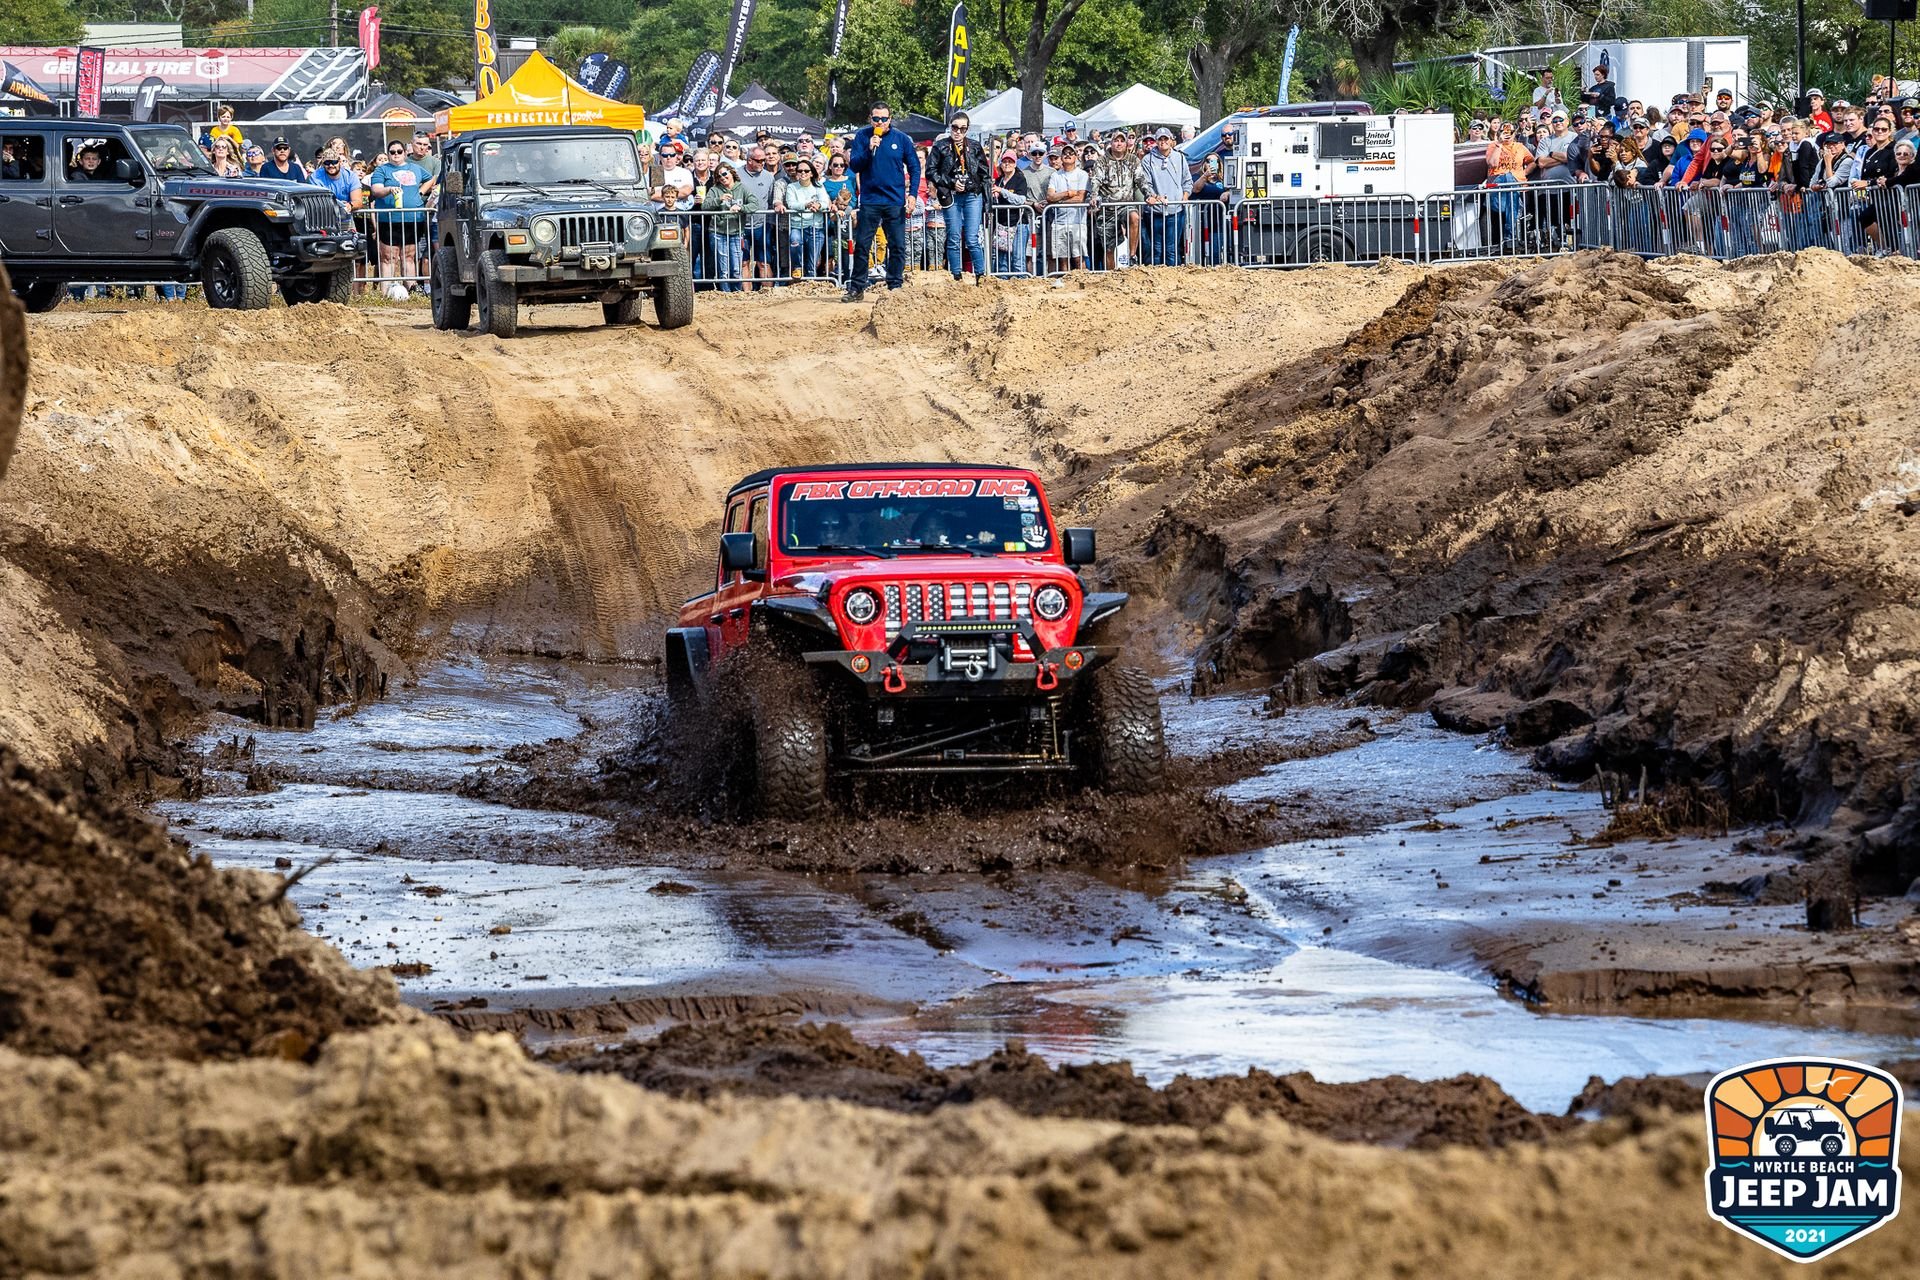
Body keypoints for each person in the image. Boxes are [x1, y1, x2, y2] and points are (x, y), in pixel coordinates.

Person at [842, 100, 921, 302]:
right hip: (870, 199)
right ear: (870, 118)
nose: (879, 122)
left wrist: (912, 194)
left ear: (890, 119)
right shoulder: (862, 136)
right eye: (876, 118)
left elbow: (914, 167)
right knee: (862, 244)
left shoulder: (901, 139)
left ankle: (895, 286)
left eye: (883, 119)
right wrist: (869, 149)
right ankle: (857, 287)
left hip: (894, 200)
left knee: (897, 245)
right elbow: (855, 165)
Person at [928, 111, 989, 283]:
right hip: (951, 195)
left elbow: (984, 173)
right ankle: (956, 276)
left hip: (971, 195)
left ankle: (981, 275)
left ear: (967, 129)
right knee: (954, 236)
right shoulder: (940, 146)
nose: (958, 132)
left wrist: (981, 192)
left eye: (962, 129)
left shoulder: (975, 146)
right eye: (955, 127)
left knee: (971, 238)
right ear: (950, 127)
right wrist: (950, 182)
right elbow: (931, 171)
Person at [368, 140, 432, 290]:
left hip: (412, 218)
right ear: (388, 154)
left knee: (409, 256)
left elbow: (431, 179)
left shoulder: (415, 168)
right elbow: (376, 190)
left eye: (399, 151)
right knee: (388, 257)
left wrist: (421, 192)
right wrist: (389, 189)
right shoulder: (381, 170)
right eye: (392, 152)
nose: (396, 154)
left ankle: (411, 289)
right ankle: (386, 293)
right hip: (389, 218)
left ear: (404, 153)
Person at [1088, 132, 1146, 268]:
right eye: (1116, 140)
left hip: (1126, 203)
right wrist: (1094, 196)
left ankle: (1132, 256)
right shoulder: (1102, 161)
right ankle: (1111, 276)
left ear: (1126, 144)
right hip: (1107, 208)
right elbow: (1096, 180)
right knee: (1108, 249)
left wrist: (1149, 195)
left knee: (1134, 217)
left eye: (1122, 141)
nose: (1119, 143)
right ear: (1111, 143)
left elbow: (1141, 181)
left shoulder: (1133, 160)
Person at [700, 163, 754, 292]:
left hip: (736, 232)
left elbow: (754, 204)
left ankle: (736, 293)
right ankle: (725, 294)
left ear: (731, 173)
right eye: (719, 176)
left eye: (724, 174)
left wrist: (741, 208)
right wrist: (719, 199)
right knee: (723, 269)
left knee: (736, 268)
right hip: (718, 232)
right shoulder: (714, 189)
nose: (723, 178)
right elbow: (705, 206)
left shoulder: (743, 188)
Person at [1141, 127, 1189, 265]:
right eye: (1160, 139)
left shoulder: (1179, 157)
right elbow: (1146, 184)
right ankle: (1156, 278)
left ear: (1171, 140)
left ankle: (1173, 278)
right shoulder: (1147, 160)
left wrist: (1185, 196)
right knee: (1156, 248)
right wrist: (1155, 197)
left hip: (1175, 210)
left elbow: (1187, 180)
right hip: (1155, 211)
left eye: (1165, 139)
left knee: (1172, 248)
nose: (1163, 142)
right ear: (1156, 141)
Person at [988, 150, 1036, 276]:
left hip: (1018, 223)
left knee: (1017, 260)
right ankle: (1003, 285)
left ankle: (1021, 286)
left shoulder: (1020, 180)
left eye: (1010, 161)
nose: (1007, 164)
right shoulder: (997, 181)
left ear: (1015, 164)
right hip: (1001, 224)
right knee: (1001, 261)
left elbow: (1020, 200)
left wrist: (1002, 191)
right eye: (1004, 161)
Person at [736, 144, 778, 290]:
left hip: (762, 225)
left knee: (764, 261)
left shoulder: (768, 177)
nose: (762, 163)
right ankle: (746, 295)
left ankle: (768, 293)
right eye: (758, 161)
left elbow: (772, 200)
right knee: (743, 262)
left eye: (763, 160)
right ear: (749, 160)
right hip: (741, 225)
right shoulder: (736, 174)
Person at [1044, 144, 1089, 273]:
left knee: (1078, 257)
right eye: (1065, 153)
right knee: (1062, 259)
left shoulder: (1082, 174)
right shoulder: (1055, 175)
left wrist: (1059, 200)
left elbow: (1080, 198)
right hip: (1059, 222)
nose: (1068, 155)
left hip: (1077, 222)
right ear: (1061, 157)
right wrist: (1068, 193)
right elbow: (1050, 197)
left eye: (1071, 153)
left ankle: (1083, 284)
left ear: (1076, 157)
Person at [783, 158, 829, 279]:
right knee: (795, 241)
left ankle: (810, 282)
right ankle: (797, 267)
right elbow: (791, 204)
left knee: (812, 260)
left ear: (812, 173)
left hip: (816, 226)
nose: (803, 173)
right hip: (797, 225)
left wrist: (818, 205)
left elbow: (825, 203)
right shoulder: (792, 187)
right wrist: (806, 205)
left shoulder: (818, 186)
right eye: (800, 171)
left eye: (806, 171)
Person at [1188, 154, 1230, 265]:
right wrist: (1205, 176)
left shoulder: (1223, 179)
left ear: (1219, 164)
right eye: (1208, 161)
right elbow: (1195, 189)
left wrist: (1227, 193)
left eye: (1215, 161)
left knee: (1215, 251)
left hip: (1218, 222)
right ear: (1204, 163)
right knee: (1199, 252)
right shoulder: (1197, 176)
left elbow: (1234, 190)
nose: (1211, 163)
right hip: (1199, 222)